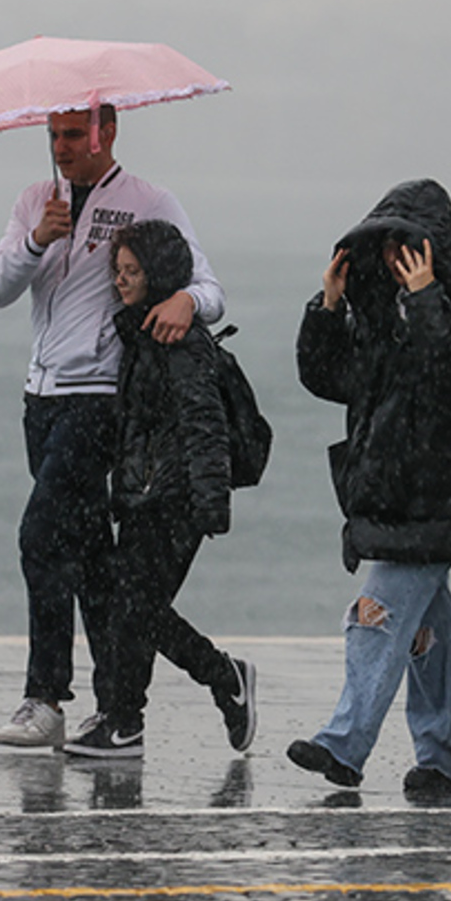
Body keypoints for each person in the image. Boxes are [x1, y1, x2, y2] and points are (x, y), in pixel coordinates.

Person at [0, 106, 225, 748]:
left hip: (98, 400)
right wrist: (37, 241)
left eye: (73, 135)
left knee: (39, 535)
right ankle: (125, 712)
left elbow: (210, 286)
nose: (61, 148)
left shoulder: (149, 200)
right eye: (53, 136)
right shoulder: (36, 200)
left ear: (106, 133)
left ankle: (45, 697)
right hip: (41, 399)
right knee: (94, 564)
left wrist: (186, 300)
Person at [286, 179, 451, 799]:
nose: (395, 259)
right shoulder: (375, 319)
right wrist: (326, 309)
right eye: (385, 247)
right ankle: (448, 759)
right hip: (387, 496)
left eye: (408, 246)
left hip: (439, 496)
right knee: (428, 638)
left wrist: (427, 297)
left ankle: (343, 744)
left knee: (373, 617)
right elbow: (328, 379)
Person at [60, 220, 256, 759]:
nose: (121, 281)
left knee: (135, 608)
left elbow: (204, 421)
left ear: (159, 274)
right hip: (145, 495)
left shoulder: (178, 340)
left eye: (133, 272)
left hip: (176, 499)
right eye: (117, 271)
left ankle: (189, 691)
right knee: (133, 609)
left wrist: (210, 502)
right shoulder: (142, 332)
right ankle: (130, 718)